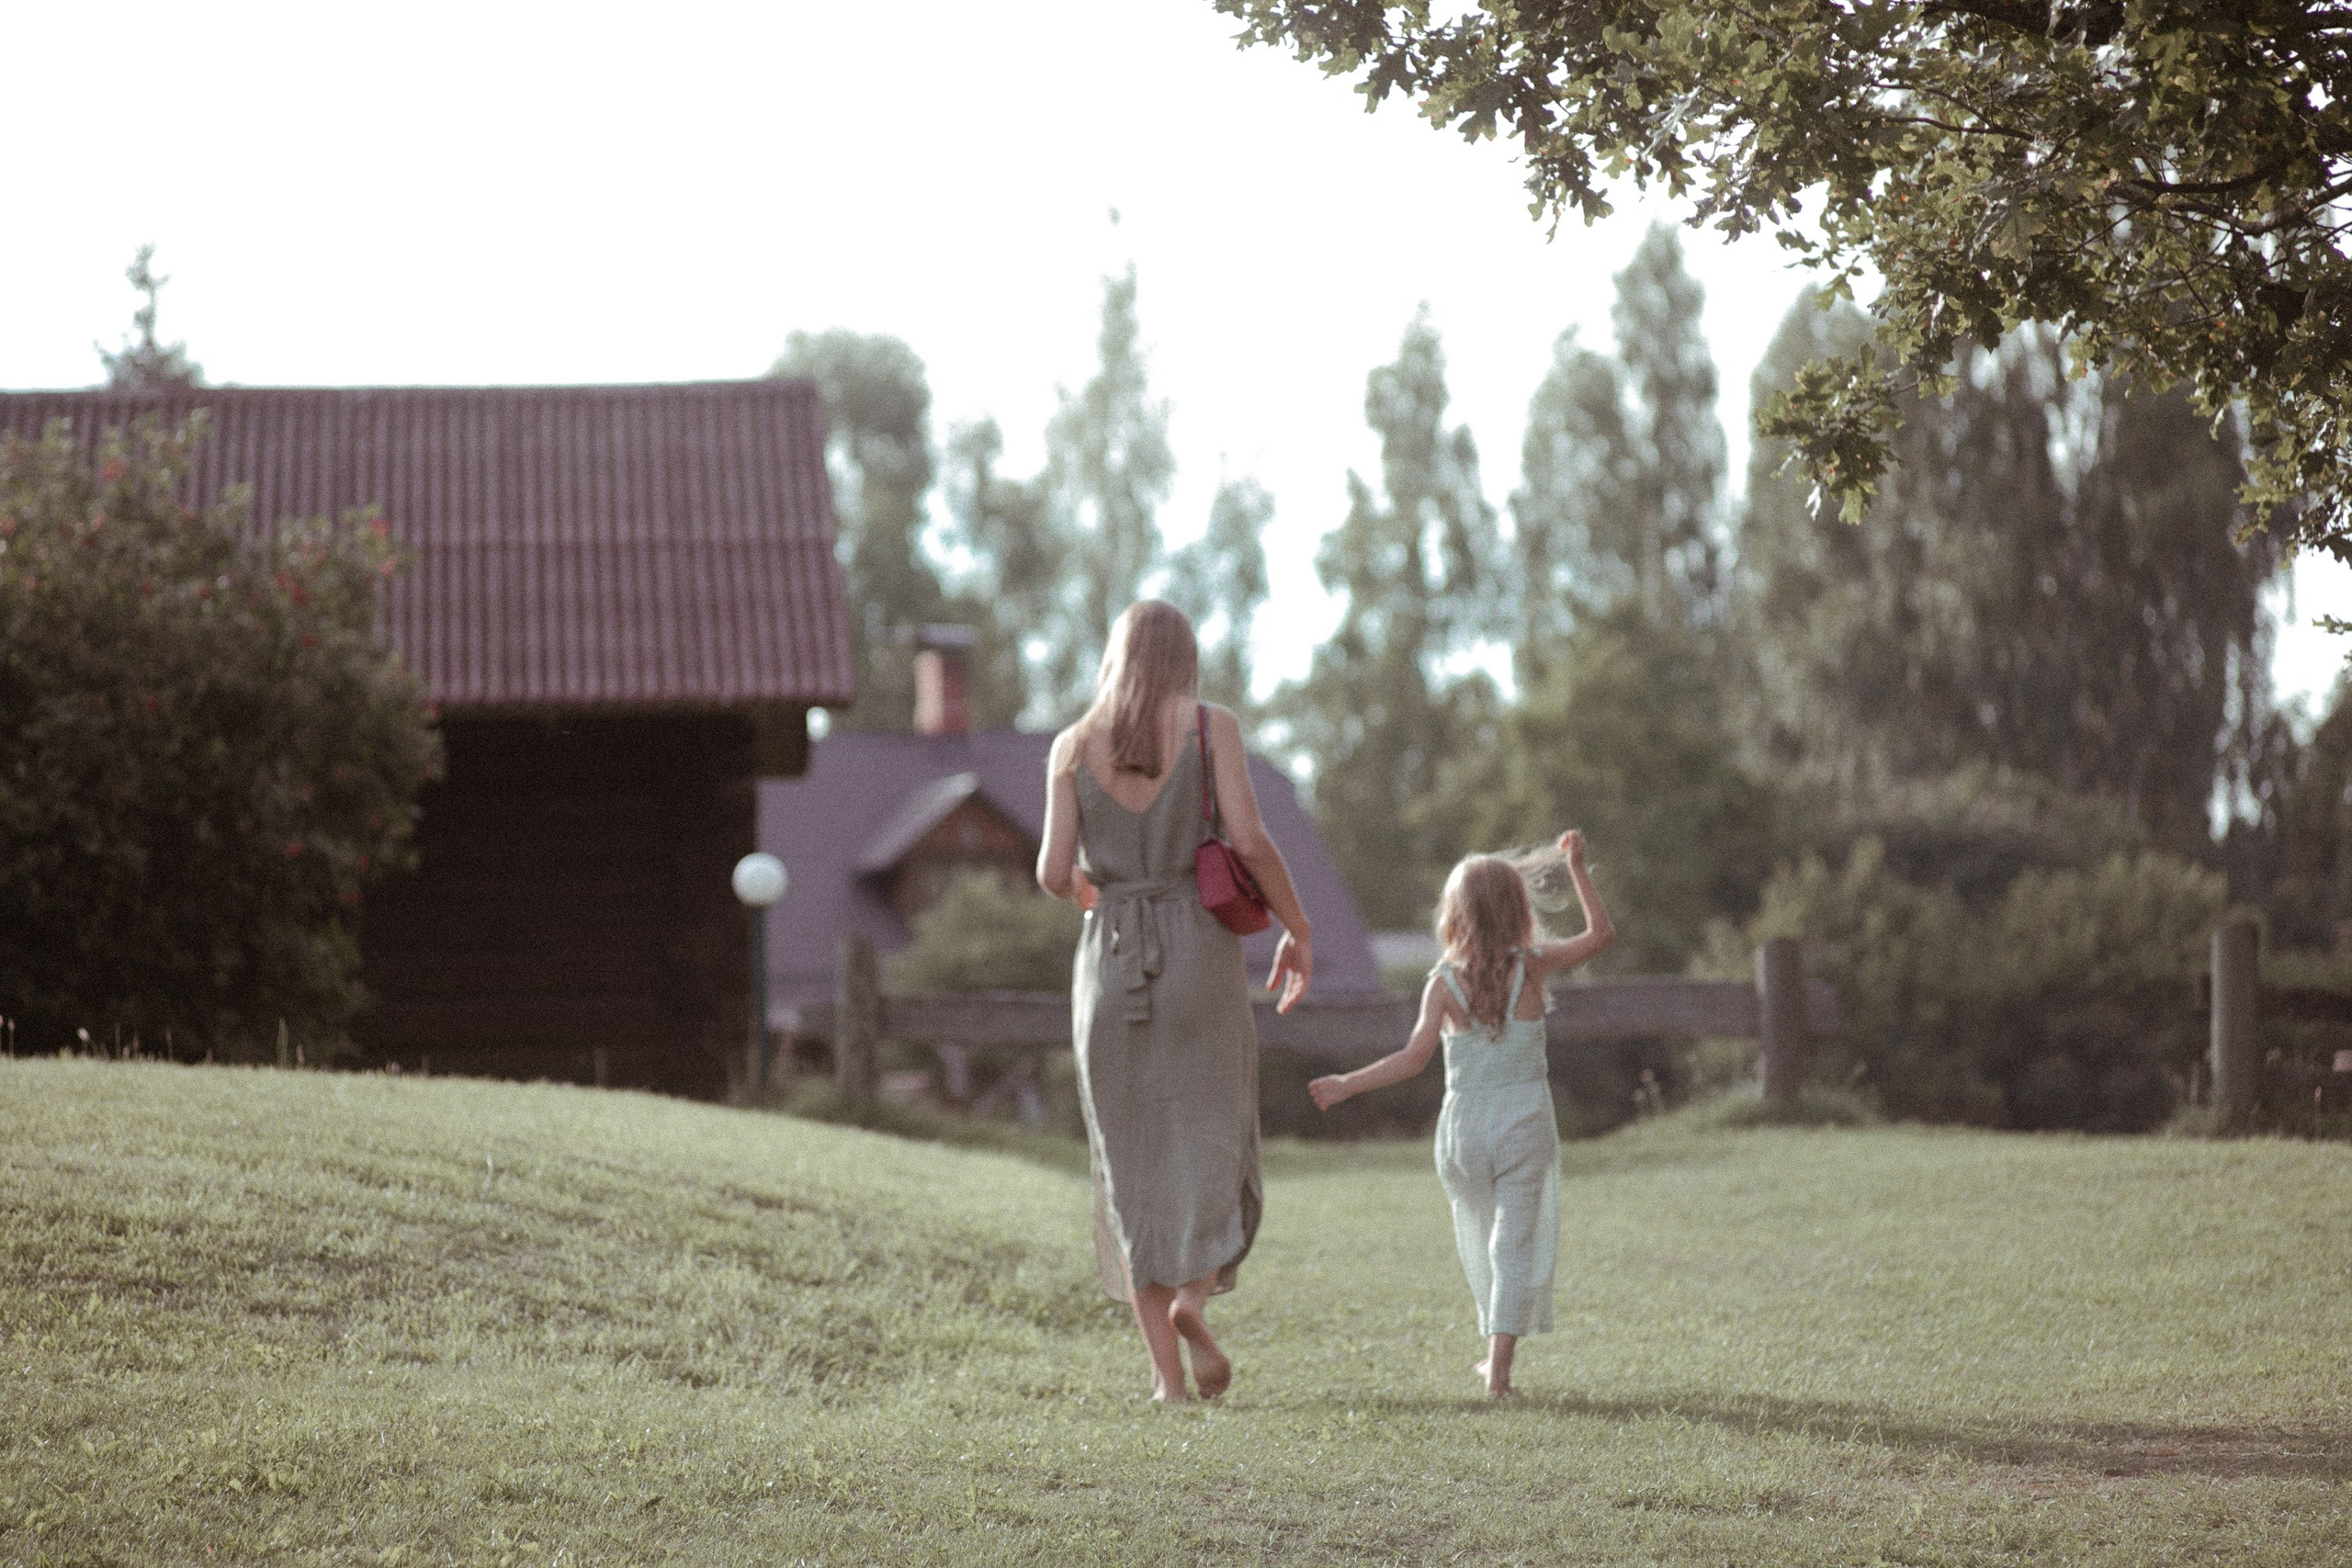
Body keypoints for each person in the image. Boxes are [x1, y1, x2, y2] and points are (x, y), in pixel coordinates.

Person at [1036, 601, 1314, 1404]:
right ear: (1184, 657)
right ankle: (1195, 1301)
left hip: (1111, 961)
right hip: (1197, 950)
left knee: (1131, 1161)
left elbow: (1056, 871)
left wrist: (1100, 896)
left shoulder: (1070, 745)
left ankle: (1168, 1384)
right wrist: (1297, 927)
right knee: (1212, 1133)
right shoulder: (1209, 726)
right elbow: (1251, 840)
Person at [1307, 830, 1614, 1398]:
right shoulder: (1535, 964)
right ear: (1516, 910)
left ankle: (1492, 1356)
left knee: (1485, 1240)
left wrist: (1349, 1083)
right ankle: (1498, 1372)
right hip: (1524, 1120)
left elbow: (1414, 1057)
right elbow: (1601, 935)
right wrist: (1577, 867)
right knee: (1512, 1245)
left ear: (1455, 916)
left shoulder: (1442, 984)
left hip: (1464, 1131)